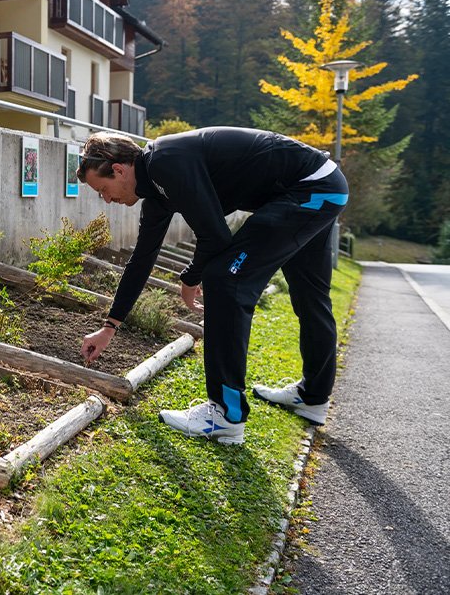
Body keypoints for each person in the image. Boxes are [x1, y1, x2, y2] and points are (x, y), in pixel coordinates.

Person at [77, 127, 348, 445]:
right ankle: (313, 397)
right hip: (324, 186)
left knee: (225, 278)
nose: (107, 200)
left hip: (310, 189)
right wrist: (109, 327)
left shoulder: (166, 162)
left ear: (119, 170)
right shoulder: (156, 188)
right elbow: (141, 260)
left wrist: (192, 277)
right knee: (310, 296)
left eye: (103, 189)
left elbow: (216, 236)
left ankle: (225, 414)